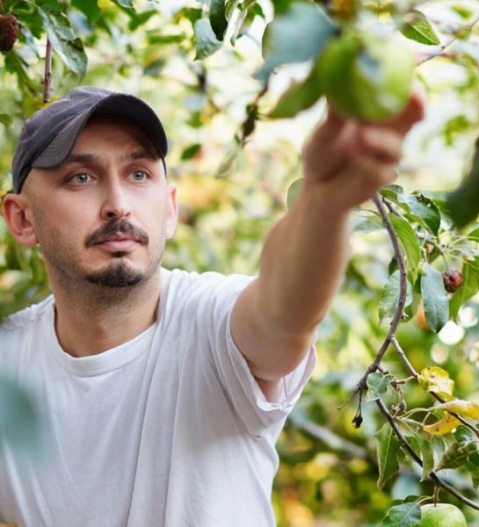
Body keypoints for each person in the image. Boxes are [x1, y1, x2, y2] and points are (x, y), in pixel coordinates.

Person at [0, 85, 424, 525]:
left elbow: (283, 315)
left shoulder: (210, 322)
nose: (118, 205)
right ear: (22, 218)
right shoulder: (9, 364)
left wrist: (325, 200)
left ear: (170, 209)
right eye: (80, 178)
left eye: (139, 174)